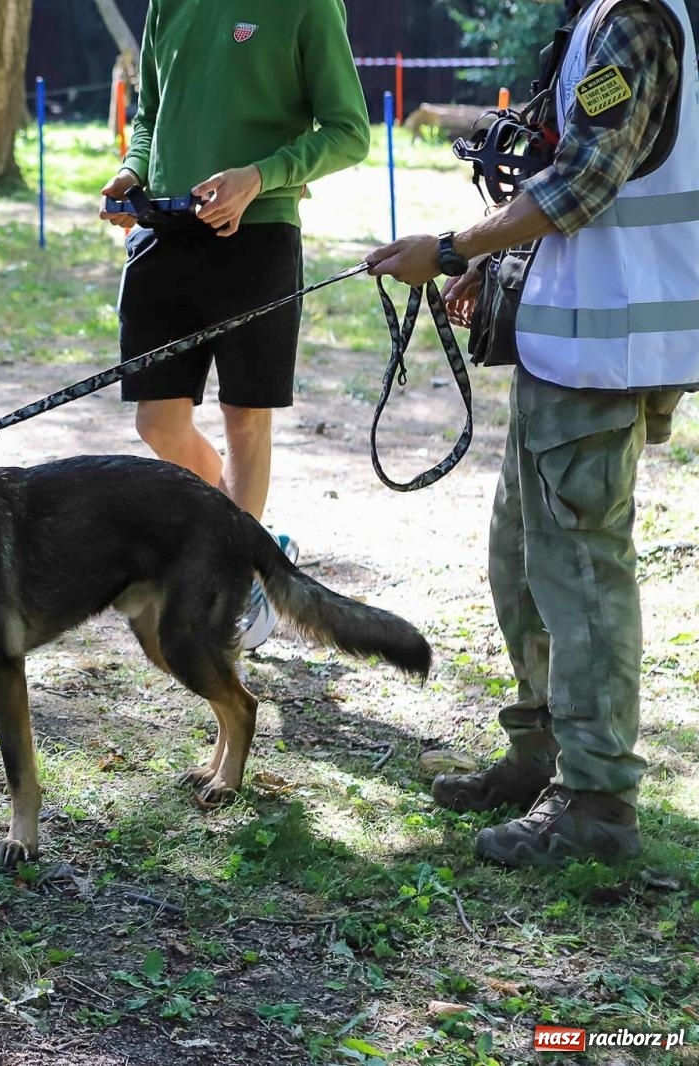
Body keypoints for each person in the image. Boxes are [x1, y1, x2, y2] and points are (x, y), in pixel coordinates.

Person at [367, 0, 698, 866]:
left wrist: (448, 246)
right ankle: (541, 754)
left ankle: (595, 803)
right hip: (572, 343)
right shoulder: (597, 14)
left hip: (608, 348)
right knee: (523, 560)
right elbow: (567, 167)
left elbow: (583, 183)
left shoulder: (631, 16)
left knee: (580, 575)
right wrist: (491, 256)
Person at [100, 0, 371, 651]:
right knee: (157, 423)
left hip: (261, 236)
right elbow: (150, 114)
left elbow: (349, 131)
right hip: (163, 233)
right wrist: (134, 170)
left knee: (246, 417)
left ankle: (237, 573)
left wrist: (260, 176)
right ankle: (242, 533)